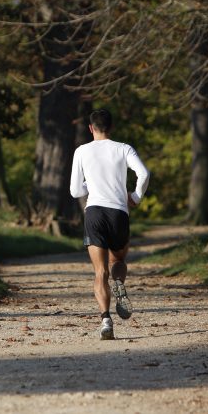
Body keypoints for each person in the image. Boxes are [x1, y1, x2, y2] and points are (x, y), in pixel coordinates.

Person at [70, 109, 150, 340]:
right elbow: (143, 174)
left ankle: (106, 320)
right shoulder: (124, 148)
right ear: (111, 128)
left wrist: (91, 185)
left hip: (94, 212)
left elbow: (75, 190)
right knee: (119, 261)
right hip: (119, 213)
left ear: (90, 128)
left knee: (99, 271)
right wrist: (135, 197)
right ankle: (119, 283)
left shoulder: (82, 151)